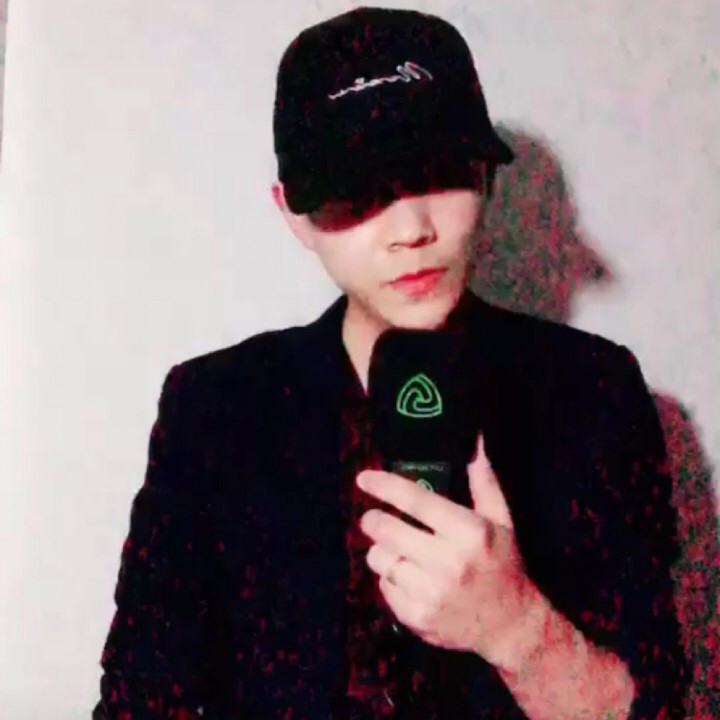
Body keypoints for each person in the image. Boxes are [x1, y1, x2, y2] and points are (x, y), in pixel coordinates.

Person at [93, 7, 689, 719]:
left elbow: (660, 704)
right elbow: (138, 700)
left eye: (440, 175)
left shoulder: (593, 392)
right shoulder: (216, 409)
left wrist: (518, 629)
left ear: (486, 179)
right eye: (359, 192)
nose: (412, 230)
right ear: (292, 213)